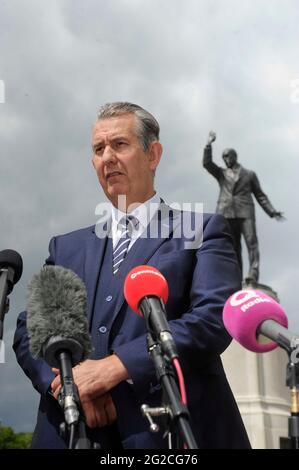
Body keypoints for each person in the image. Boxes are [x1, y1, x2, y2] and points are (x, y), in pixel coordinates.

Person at [13, 102, 250, 449]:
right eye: (98, 149)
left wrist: (117, 366)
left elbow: (214, 319)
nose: (107, 157)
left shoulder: (200, 229)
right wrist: (66, 384)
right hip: (70, 432)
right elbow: (29, 328)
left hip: (167, 434)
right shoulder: (66, 248)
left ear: (153, 154)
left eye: (119, 145)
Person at [203, 131, 284, 284]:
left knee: (251, 242)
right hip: (226, 213)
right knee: (233, 248)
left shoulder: (249, 174)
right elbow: (207, 164)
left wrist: (272, 211)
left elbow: (260, 195)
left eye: (228, 156)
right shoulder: (221, 173)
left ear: (235, 156)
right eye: (223, 157)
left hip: (245, 211)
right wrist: (208, 144)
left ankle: (253, 273)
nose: (225, 159)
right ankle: (236, 278)